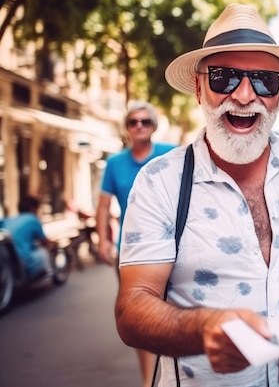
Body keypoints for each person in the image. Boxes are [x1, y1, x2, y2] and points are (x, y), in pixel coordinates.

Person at [113, 4, 279, 386]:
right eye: (224, 78)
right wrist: (203, 328)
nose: (245, 95)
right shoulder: (160, 182)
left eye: (265, 80)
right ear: (200, 88)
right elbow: (133, 307)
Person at [96, 99, 176, 387]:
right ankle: (147, 381)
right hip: (131, 252)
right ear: (127, 128)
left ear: (154, 125)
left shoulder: (171, 154)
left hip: (175, 247)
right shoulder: (115, 163)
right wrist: (103, 240)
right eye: (133, 122)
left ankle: (174, 375)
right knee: (142, 315)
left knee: (175, 312)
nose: (139, 126)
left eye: (145, 121)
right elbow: (103, 205)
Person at [2, 196, 54, 280]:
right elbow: (44, 241)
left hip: (6, 260)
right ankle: (49, 273)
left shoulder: (8, 220)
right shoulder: (33, 219)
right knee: (44, 252)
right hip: (23, 263)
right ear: (33, 209)